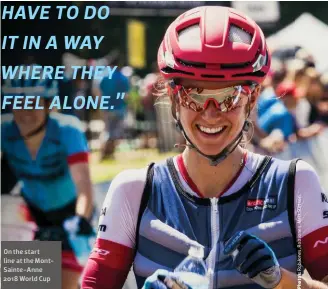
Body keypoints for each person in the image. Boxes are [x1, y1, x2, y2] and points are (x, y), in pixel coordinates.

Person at [82, 6, 328, 289]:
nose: (211, 113)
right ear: (173, 97)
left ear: (253, 97)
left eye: (229, 95)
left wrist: (283, 281)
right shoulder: (135, 190)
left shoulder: (295, 183)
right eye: (194, 94)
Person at [1, 65, 95, 289]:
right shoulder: (5, 131)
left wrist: (80, 220)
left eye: (33, 103)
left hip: (72, 216)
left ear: (48, 104)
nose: (25, 112)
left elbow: (84, 186)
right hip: (34, 218)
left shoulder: (67, 130)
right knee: (23, 285)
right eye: (18, 104)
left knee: (66, 284)